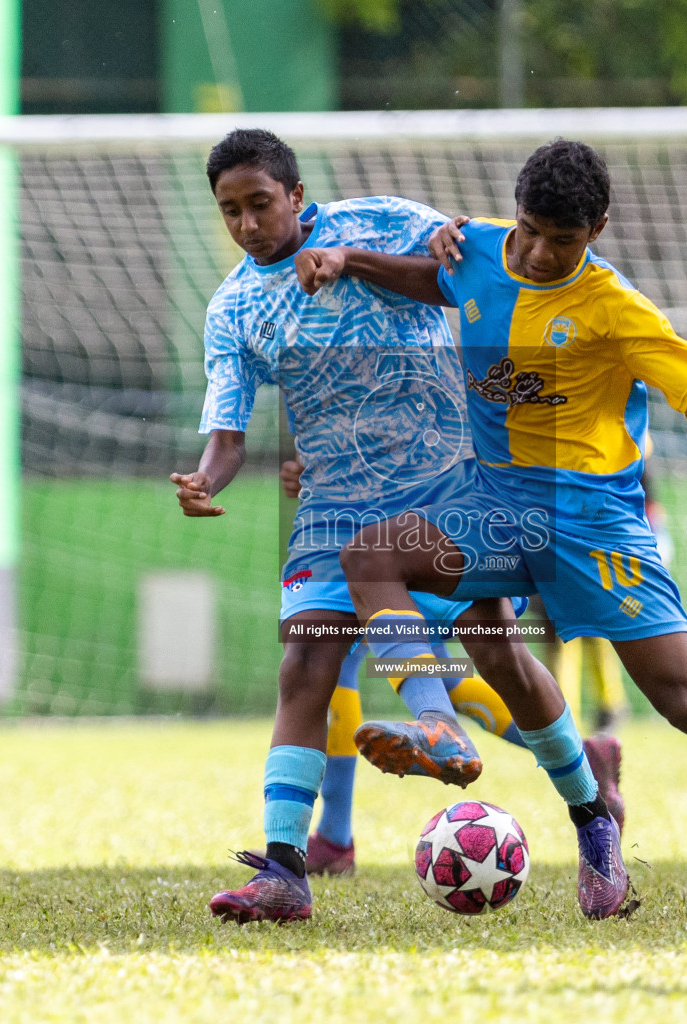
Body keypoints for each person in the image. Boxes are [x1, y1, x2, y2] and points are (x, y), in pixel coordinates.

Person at [296, 139, 687, 920]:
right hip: (493, 504)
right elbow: (435, 278)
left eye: (564, 241)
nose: (542, 253)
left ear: (599, 230)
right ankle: (443, 730)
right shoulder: (475, 246)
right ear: (514, 213)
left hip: (590, 519)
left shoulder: (615, 306)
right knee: (373, 557)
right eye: (531, 231)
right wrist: (346, 258)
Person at [173, 130, 595, 923]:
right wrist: (206, 480)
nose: (247, 224)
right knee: (305, 668)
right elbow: (228, 435)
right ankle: (286, 871)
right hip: (335, 507)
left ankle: (589, 804)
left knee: (499, 659)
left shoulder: (380, 222)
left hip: (448, 483)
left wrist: (455, 232)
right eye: (229, 210)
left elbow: (478, 258)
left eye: (260, 203)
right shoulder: (232, 307)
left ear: (296, 195)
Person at [276, 456, 623, 876]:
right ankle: (581, 755)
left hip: (410, 532)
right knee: (443, 681)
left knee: (347, 667)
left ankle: (334, 835)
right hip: (400, 529)